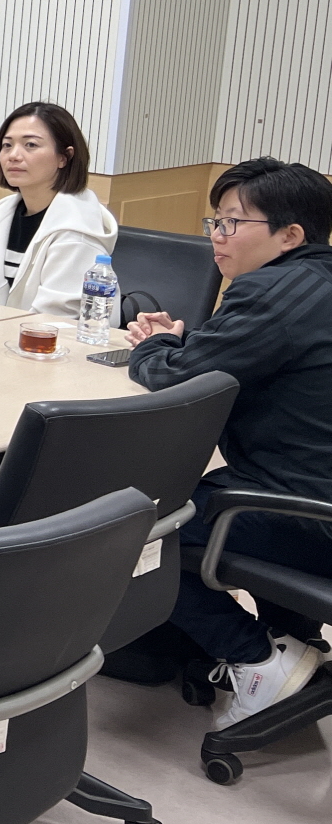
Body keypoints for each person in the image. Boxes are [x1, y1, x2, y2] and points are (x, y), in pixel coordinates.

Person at [124, 158, 332, 727]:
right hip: (313, 492)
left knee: (123, 534)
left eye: (232, 223)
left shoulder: (272, 291)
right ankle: (295, 642)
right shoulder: (315, 282)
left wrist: (153, 346)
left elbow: (176, 378)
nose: (217, 236)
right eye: (213, 221)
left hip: (306, 512)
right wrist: (186, 345)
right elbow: (232, 356)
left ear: (291, 235)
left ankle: (256, 656)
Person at [0, 102, 117, 319]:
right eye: (7, 145)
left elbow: (55, 317)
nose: (13, 155)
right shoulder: (1, 213)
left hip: (55, 344)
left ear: (64, 157)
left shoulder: (76, 226)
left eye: (30, 145)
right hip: (3, 337)